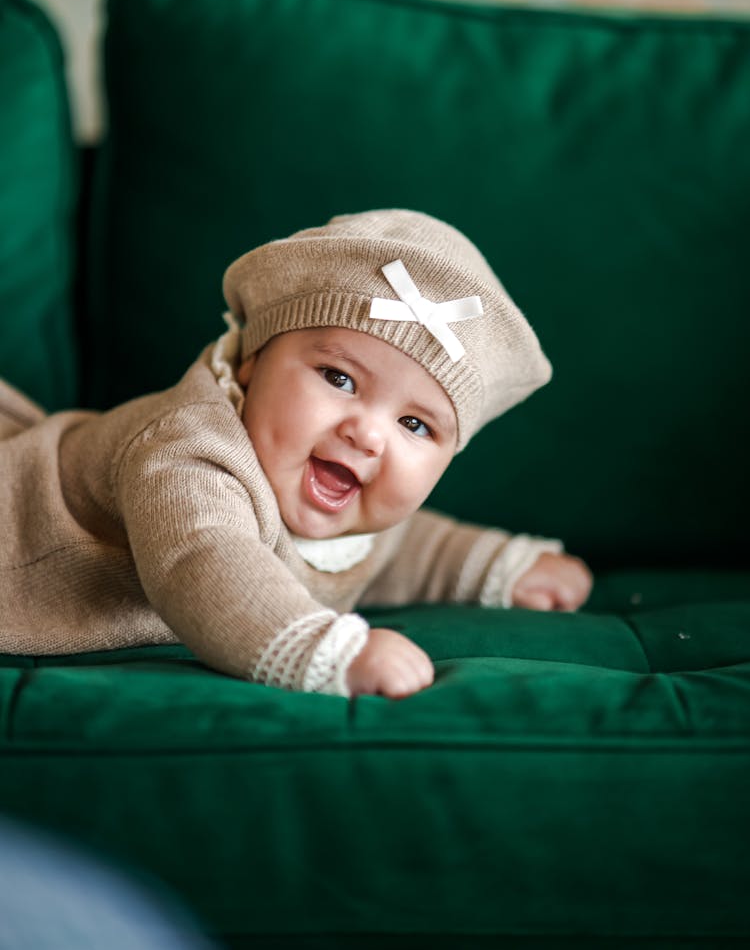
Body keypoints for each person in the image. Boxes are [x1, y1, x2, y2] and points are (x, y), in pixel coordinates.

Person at [0, 209, 591, 698]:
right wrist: (322, 649)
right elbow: (204, 559)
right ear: (253, 363)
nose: (367, 434)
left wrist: (499, 567)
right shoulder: (188, 449)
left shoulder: (348, 495)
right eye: (338, 379)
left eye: (414, 423)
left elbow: (400, 547)